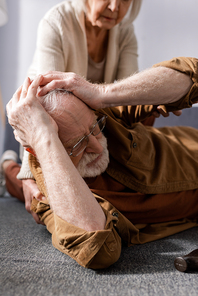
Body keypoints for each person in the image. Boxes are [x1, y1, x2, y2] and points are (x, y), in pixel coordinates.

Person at [6, 56, 198, 270]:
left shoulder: (102, 114)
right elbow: (99, 251)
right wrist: (43, 136)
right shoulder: (49, 198)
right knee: (17, 185)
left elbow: (193, 73)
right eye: (78, 144)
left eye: (94, 129)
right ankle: (7, 165)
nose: (98, 147)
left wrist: (102, 94)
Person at [1, 0, 147, 206]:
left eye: (124, 0)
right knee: (40, 199)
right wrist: (28, 175)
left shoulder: (125, 31)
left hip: (91, 130)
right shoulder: (56, 23)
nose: (115, 8)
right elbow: (38, 107)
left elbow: (128, 94)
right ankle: (8, 166)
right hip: (48, 126)